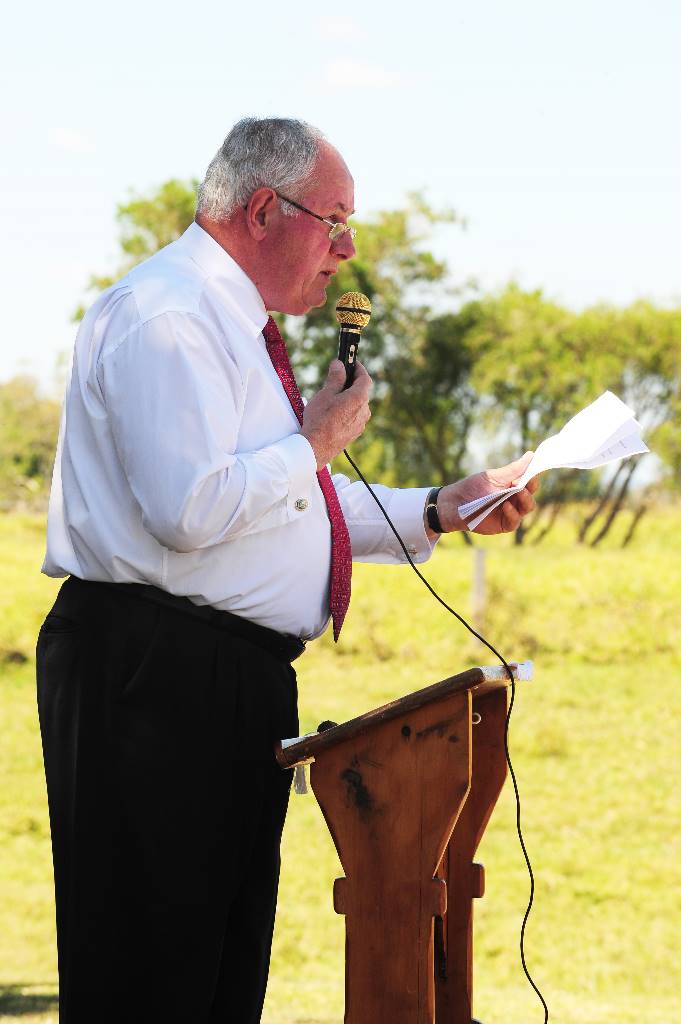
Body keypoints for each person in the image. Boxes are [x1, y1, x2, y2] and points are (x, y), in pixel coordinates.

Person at [37, 117, 537, 1023]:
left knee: (216, 974)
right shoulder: (170, 315)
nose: (346, 250)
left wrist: (439, 505)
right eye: (335, 221)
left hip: (225, 677)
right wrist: (312, 441)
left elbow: (281, 508)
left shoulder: (237, 328)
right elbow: (190, 510)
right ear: (265, 209)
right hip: (152, 674)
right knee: (151, 972)